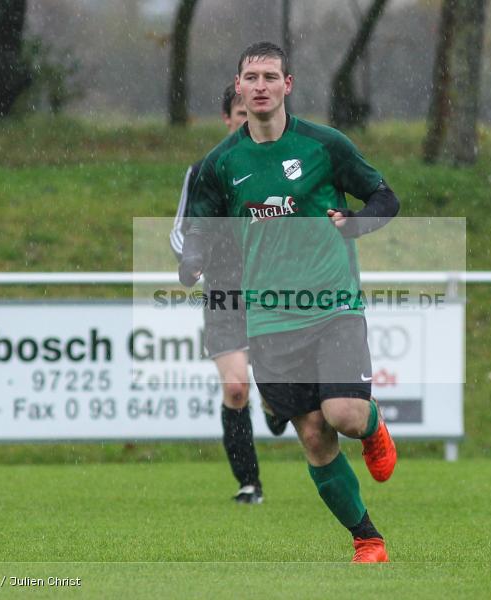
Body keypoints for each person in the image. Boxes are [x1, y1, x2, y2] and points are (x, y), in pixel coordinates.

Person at [179, 42, 400, 562]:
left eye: (270, 77)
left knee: (344, 415)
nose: (260, 86)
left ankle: (372, 425)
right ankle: (367, 539)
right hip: (268, 319)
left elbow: (385, 197)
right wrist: (192, 258)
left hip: (333, 306)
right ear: (238, 87)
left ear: (288, 85)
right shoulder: (221, 163)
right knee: (315, 436)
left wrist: (356, 223)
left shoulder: (325, 145)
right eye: (251, 77)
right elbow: (199, 225)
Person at [170, 84, 285, 506]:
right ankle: (249, 482)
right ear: (228, 118)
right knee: (236, 388)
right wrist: (191, 258)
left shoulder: (284, 166)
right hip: (224, 293)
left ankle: (276, 405)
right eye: (240, 114)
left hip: (275, 292)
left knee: (276, 390)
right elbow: (181, 230)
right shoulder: (206, 170)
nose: (247, 121)